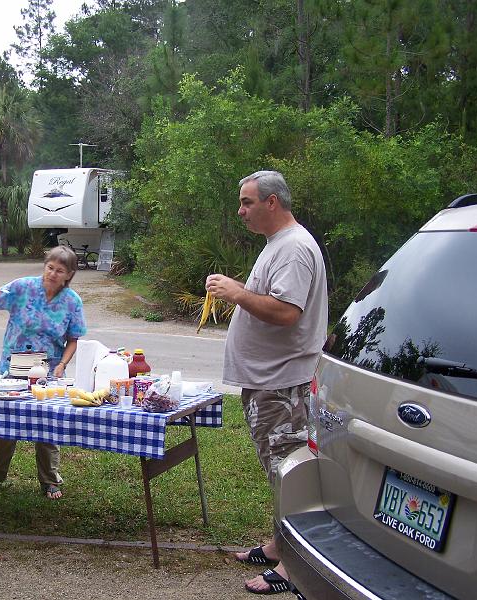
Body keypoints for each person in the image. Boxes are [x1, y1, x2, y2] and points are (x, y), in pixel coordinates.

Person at [206, 171, 327, 596]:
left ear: (271, 202)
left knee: (290, 476)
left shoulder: (293, 248)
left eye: (247, 202)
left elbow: (286, 312)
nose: (240, 211)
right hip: (269, 382)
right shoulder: (280, 244)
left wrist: (238, 292)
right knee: (279, 471)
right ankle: (280, 545)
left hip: (282, 384)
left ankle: (297, 568)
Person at [0, 245, 87, 500]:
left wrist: (62, 365)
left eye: (60, 271)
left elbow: (74, 339)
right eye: (50, 267)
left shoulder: (72, 302)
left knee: (46, 423)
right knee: (6, 420)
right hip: (13, 366)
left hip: (48, 370)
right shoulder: (23, 287)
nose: (53, 274)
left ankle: (50, 480)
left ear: (69, 274)